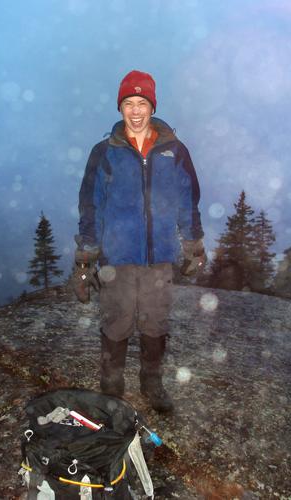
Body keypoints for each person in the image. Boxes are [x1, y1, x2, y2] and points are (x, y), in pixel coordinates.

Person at [72, 70, 205, 413]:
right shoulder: (105, 153)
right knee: (116, 321)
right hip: (117, 258)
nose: (135, 110)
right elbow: (91, 205)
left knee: (155, 321)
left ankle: (152, 383)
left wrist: (193, 246)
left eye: (141, 102)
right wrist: (85, 259)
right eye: (128, 103)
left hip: (160, 257)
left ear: (151, 106)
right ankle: (112, 387)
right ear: (120, 108)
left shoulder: (174, 151)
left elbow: (188, 201)